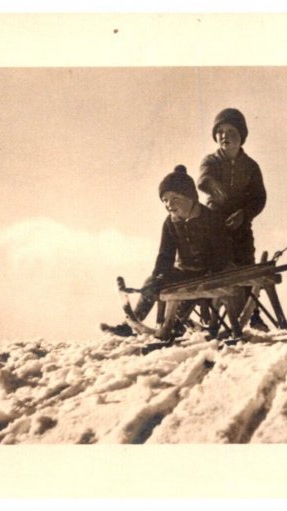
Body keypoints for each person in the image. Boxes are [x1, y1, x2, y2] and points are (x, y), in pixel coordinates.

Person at [101, 165, 238, 341]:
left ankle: (177, 323)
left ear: (190, 197)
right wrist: (159, 276)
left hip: (210, 272)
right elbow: (165, 255)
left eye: (175, 198)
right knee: (151, 282)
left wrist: (213, 271)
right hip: (184, 271)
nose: (169, 204)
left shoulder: (209, 218)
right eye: (164, 200)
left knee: (189, 291)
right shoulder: (170, 223)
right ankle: (131, 324)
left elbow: (222, 250)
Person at [198, 108, 270, 332]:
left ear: (241, 136)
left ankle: (254, 314)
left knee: (246, 264)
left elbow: (259, 198)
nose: (224, 135)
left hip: (240, 225)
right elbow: (203, 179)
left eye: (230, 131)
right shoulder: (211, 160)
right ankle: (209, 315)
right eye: (219, 131)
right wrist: (213, 185)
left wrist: (244, 214)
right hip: (215, 224)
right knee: (215, 267)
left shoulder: (250, 166)